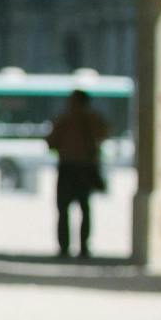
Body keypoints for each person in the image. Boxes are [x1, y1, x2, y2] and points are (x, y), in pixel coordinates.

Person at [45, 89, 109, 258]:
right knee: (83, 209)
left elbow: (51, 142)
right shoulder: (92, 119)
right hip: (83, 167)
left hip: (70, 167)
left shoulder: (66, 119)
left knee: (66, 209)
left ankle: (65, 247)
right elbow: (104, 134)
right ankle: (82, 247)